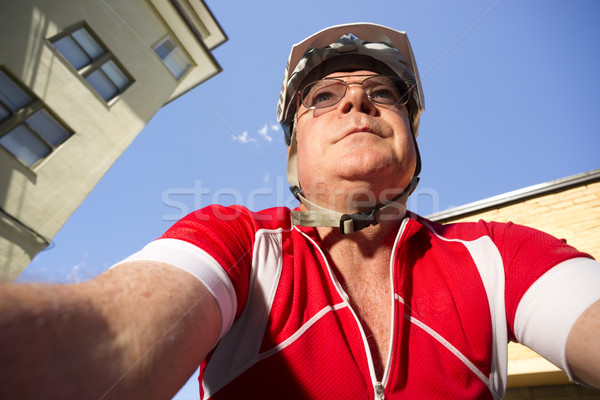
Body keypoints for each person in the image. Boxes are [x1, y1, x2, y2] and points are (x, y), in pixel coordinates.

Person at [1, 22, 599, 400]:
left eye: (383, 93)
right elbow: (102, 335)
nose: (359, 100)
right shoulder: (237, 241)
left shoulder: (503, 255)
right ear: (293, 161)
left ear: (414, 145)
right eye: (324, 97)